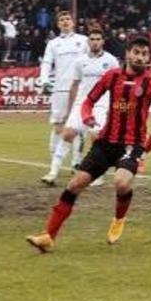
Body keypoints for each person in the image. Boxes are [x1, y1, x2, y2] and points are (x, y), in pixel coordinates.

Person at [26, 38, 151, 252]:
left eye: (145, 54)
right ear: (128, 53)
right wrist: (87, 116)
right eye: (136, 52)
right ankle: (48, 236)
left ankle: (119, 219)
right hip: (105, 143)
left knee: (121, 183)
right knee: (74, 185)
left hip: (131, 144)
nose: (140, 57)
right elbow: (89, 100)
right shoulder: (111, 76)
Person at [41, 27, 119, 186]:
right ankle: (53, 172)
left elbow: (117, 86)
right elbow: (75, 85)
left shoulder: (111, 61)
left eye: (98, 39)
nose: (95, 42)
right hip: (82, 103)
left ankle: (97, 175)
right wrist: (71, 108)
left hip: (101, 105)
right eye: (92, 39)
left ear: (103, 41)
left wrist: (113, 108)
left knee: (96, 138)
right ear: (88, 41)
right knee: (68, 134)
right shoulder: (80, 61)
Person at [38, 11, 88, 178]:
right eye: (62, 20)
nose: (65, 22)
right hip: (59, 89)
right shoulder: (53, 43)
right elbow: (46, 63)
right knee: (58, 126)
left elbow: (91, 60)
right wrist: (44, 80)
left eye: (68, 19)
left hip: (80, 89)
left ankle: (76, 162)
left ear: (73, 22)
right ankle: (54, 164)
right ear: (58, 24)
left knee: (78, 127)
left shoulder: (83, 41)